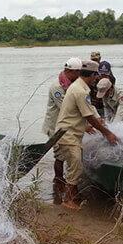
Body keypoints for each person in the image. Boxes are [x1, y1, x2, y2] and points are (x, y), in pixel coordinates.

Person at [54, 60, 118, 210]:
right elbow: (89, 116)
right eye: (96, 76)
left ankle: (73, 195)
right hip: (68, 134)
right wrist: (107, 133)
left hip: (70, 133)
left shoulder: (78, 87)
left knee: (74, 165)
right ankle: (68, 200)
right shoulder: (80, 91)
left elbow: (88, 112)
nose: (97, 78)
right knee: (76, 167)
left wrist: (98, 120)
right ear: (94, 75)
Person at [42, 57, 82, 204]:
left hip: (65, 126)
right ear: (68, 71)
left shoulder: (71, 84)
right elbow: (67, 108)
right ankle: (59, 180)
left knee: (65, 153)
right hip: (55, 128)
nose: (78, 75)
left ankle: (62, 180)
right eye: (76, 72)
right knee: (60, 155)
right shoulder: (57, 88)